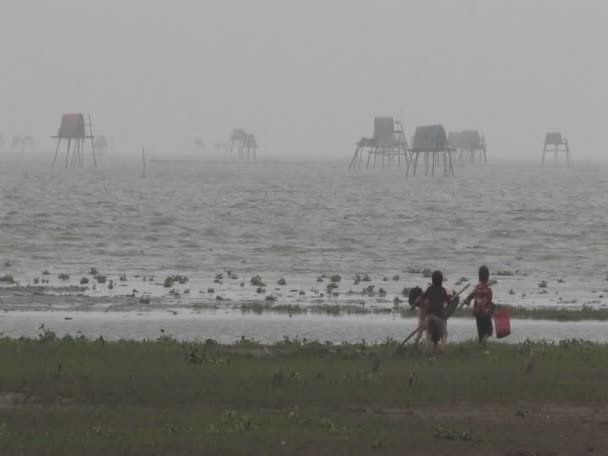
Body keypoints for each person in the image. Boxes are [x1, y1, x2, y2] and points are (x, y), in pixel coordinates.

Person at [415, 271, 452, 349]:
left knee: (428, 332)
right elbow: (449, 301)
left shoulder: (429, 289)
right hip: (439, 317)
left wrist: (423, 308)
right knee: (444, 333)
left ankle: (427, 348)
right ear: (441, 280)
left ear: (432, 280)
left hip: (428, 317)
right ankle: (442, 348)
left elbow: (421, 298)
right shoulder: (443, 290)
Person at [463, 265, 495, 346]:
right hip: (485, 312)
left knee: (480, 329)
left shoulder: (477, 287)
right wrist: (492, 309)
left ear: (479, 276)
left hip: (477, 312)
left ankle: (481, 342)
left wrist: (467, 300)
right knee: (489, 330)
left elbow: (471, 296)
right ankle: (485, 339)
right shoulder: (488, 290)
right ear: (488, 277)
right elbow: (489, 302)